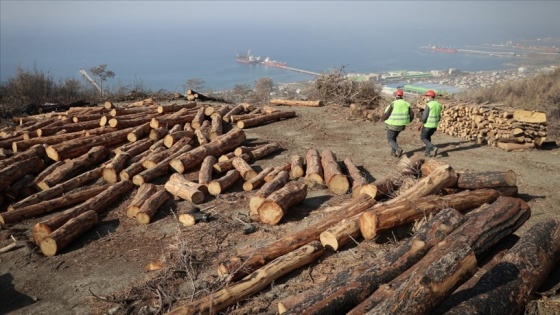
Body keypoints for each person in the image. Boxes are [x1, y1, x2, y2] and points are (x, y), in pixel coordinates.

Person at [382, 89, 414, 157]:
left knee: (390, 139)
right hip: (401, 126)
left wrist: (382, 119)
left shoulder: (393, 104)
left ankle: (398, 149)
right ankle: (393, 152)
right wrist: (408, 120)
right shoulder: (406, 104)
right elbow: (412, 114)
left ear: (395, 96)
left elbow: (387, 114)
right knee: (394, 138)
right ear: (402, 96)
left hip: (392, 125)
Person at [420, 90, 443, 157]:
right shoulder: (439, 105)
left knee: (423, 138)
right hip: (434, 125)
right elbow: (439, 116)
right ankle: (427, 153)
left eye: (427, 96)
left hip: (427, 125)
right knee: (428, 138)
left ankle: (433, 147)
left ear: (430, 96)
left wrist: (422, 122)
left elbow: (424, 117)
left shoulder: (429, 105)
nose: (426, 97)